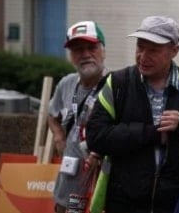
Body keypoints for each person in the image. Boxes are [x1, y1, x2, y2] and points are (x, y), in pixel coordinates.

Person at [86, 16, 179, 213]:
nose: (143, 56)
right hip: (124, 202)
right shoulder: (117, 83)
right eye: (140, 47)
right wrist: (152, 133)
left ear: (174, 51)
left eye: (153, 50)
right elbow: (95, 137)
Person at [47, 21, 110, 213]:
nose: (85, 55)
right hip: (67, 180)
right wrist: (59, 136)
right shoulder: (66, 84)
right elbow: (51, 114)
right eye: (77, 50)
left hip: (100, 183)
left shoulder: (115, 86)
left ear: (103, 50)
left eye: (91, 47)